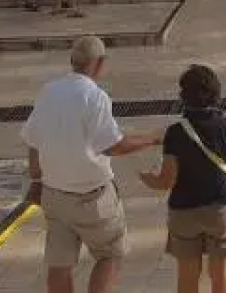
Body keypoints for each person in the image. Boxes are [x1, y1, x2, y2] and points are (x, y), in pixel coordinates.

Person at [22, 36, 161, 293]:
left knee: (59, 264)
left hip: (54, 194)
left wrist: (36, 180)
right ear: (99, 63)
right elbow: (112, 145)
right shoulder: (95, 97)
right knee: (110, 254)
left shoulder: (49, 91)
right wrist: (152, 139)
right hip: (92, 197)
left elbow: (33, 140)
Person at [140, 64, 226, 293]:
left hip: (184, 214)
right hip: (223, 211)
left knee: (187, 281)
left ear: (184, 97)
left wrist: (148, 178)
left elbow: (166, 181)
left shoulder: (175, 132)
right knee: (222, 280)